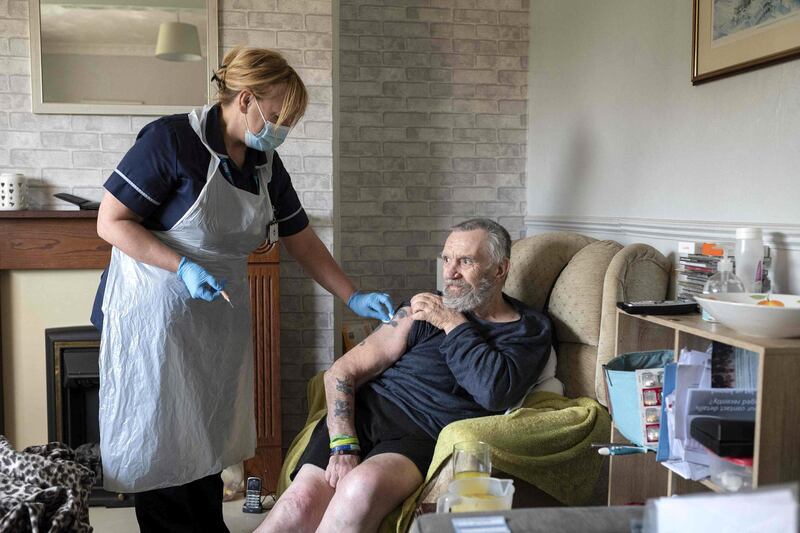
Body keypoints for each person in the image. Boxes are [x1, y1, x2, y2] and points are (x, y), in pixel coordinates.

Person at [90, 46, 394, 532]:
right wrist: (183, 266)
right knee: (164, 441)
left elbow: (300, 236)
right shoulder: (172, 141)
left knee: (207, 436)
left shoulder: (262, 159)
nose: (281, 129)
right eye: (276, 116)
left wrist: (351, 295)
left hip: (214, 313)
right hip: (152, 311)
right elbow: (112, 221)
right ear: (246, 99)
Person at [256, 218, 553, 533]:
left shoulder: (528, 329)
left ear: (499, 269)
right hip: (366, 413)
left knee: (360, 488)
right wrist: (343, 445)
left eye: (465, 261)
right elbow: (341, 372)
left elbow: (493, 392)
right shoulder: (420, 310)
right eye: (447, 259)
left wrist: (453, 323)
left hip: (424, 433)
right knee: (297, 503)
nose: (450, 272)